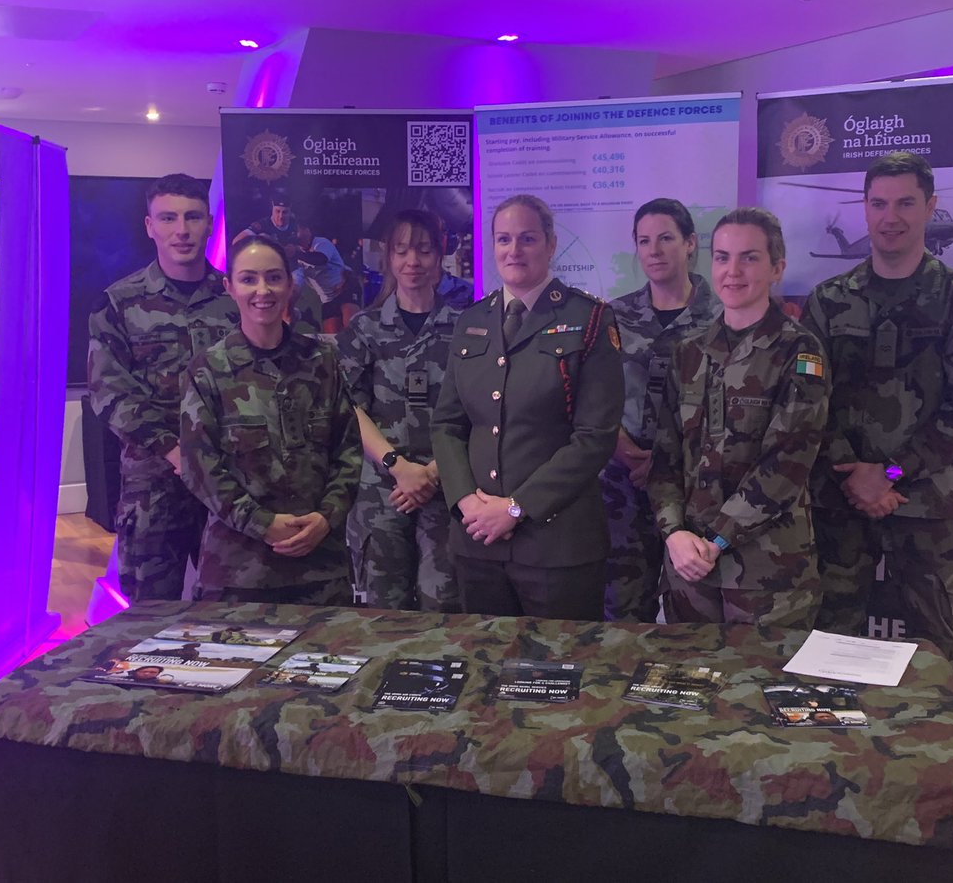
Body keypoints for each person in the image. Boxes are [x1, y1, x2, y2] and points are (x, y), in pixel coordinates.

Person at [800, 151, 953, 678]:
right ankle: (833, 760)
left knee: (934, 656)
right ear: (864, 210)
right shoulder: (829, 300)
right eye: (879, 203)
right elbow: (808, 402)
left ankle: (936, 762)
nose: (891, 216)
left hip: (928, 505)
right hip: (839, 503)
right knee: (828, 650)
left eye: (906, 203)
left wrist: (888, 473)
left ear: (930, 207)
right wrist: (854, 476)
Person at [431, 194, 624, 621]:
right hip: (477, 541)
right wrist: (465, 501)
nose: (513, 251)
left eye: (527, 239)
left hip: (557, 546)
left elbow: (595, 437)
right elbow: (447, 425)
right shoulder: (472, 321)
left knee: (558, 674)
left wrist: (517, 507)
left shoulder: (590, 320)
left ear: (551, 245)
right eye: (503, 239)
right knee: (484, 670)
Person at [647, 208, 829, 629]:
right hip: (689, 570)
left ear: (777, 268)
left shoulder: (800, 353)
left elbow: (786, 465)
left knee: (761, 691)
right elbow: (665, 457)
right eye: (723, 257)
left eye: (749, 257)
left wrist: (718, 539)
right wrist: (673, 533)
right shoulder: (687, 352)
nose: (733, 271)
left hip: (768, 575)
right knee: (687, 688)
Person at [181, 234, 361, 605]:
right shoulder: (209, 370)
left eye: (274, 277)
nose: (262, 290)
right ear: (229, 287)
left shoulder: (321, 361)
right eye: (249, 279)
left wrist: (327, 517)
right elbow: (201, 469)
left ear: (290, 283)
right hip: (239, 574)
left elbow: (349, 452)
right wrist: (263, 524)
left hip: (322, 569)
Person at [88, 173, 238, 601]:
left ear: (209, 223)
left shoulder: (236, 298)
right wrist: (174, 448)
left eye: (192, 217)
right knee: (151, 621)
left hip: (228, 484)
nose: (182, 230)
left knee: (232, 618)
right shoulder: (119, 303)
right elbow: (110, 391)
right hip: (154, 488)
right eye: (168, 218)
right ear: (149, 225)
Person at [337, 209, 471, 613]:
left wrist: (430, 472)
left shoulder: (467, 326)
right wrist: (399, 466)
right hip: (383, 489)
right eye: (402, 251)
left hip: (447, 487)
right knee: (383, 610)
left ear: (440, 255)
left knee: (444, 604)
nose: (413, 262)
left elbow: (479, 408)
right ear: (388, 258)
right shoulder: (365, 327)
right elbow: (350, 406)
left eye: (424, 251)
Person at [602, 198, 719, 622]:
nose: (654, 250)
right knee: (621, 610)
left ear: (690, 243)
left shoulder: (722, 315)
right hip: (621, 485)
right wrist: (621, 447)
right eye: (644, 241)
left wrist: (667, 463)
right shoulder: (613, 316)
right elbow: (589, 394)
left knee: (693, 614)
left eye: (666, 238)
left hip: (695, 488)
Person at [291, 221, 357, 334]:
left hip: (345, 286)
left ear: (307, 230)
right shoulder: (296, 258)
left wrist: (296, 254)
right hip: (328, 298)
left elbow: (320, 259)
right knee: (332, 338)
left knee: (351, 329)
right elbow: (297, 278)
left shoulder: (321, 243)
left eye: (299, 229)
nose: (297, 234)